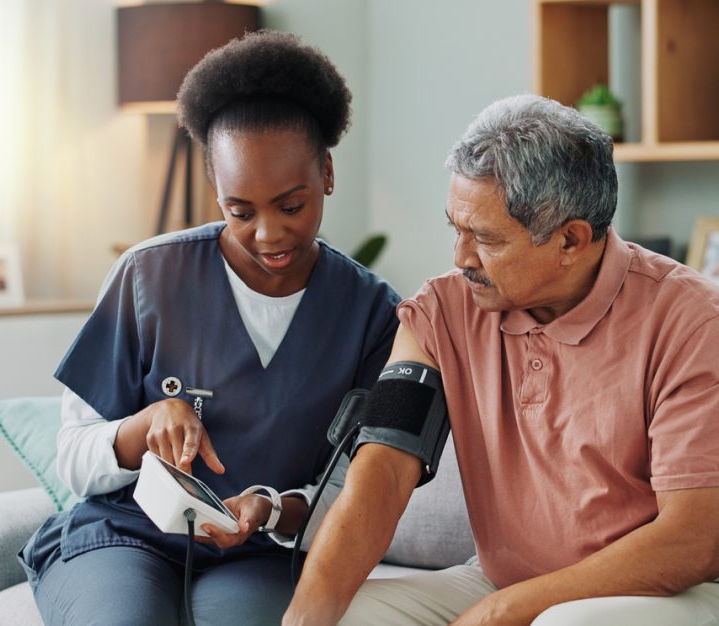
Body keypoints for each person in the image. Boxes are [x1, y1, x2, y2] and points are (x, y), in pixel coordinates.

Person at [283, 94, 719, 626]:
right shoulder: (442, 312)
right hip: (500, 580)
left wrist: (508, 610)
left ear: (570, 240)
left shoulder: (693, 323)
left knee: (561, 623)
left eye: (485, 239)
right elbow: (381, 473)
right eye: (456, 229)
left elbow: (692, 541)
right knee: (347, 614)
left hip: (671, 592)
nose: (460, 257)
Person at [18, 30, 400, 626]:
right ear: (216, 190)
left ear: (326, 172)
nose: (268, 235)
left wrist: (272, 511)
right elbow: (72, 457)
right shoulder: (148, 274)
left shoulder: (372, 313)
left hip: (258, 555)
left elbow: (362, 490)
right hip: (126, 537)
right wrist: (143, 426)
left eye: (291, 206)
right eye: (240, 211)